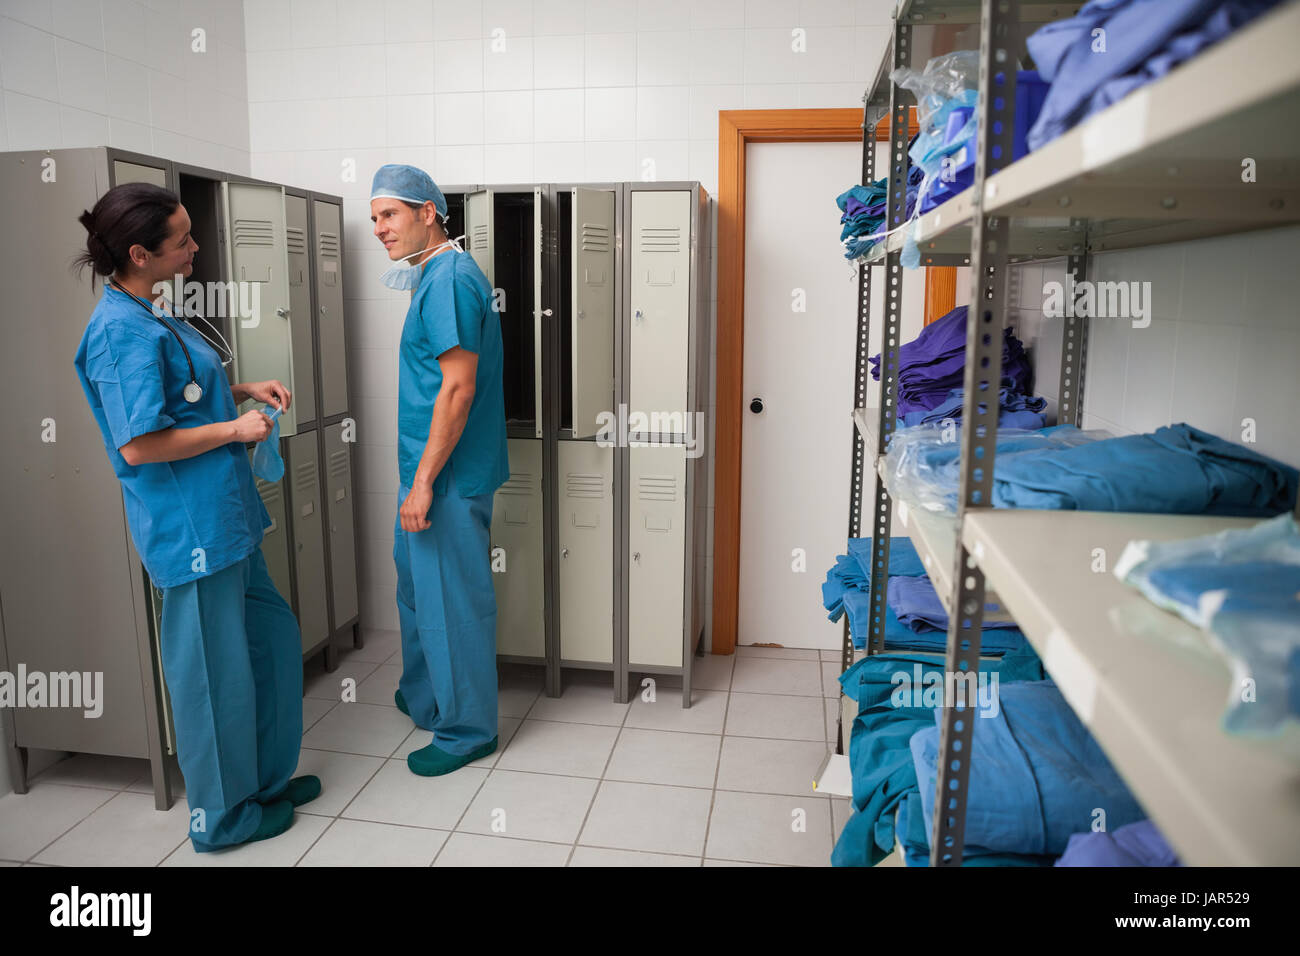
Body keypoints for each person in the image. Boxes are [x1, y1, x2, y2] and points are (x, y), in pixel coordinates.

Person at [72, 182, 319, 851]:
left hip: (230, 522)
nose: (194, 245)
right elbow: (139, 442)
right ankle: (221, 818)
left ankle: (263, 782)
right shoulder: (117, 333)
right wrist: (236, 431)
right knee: (212, 678)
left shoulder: (152, 310)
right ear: (140, 253)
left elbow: (183, 395)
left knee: (268, 645)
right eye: (181, 238)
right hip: (193, 533)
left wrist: (239, 391)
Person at [370, 163, 510, 776]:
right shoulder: (431, 274)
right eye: (374, 218)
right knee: (414, 589)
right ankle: (428, 695)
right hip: (425, 470)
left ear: (429, 212)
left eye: (390, 214)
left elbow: (456, 388)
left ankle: (466, 729)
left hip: (446, 477)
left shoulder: (449, 278)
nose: (379, 228)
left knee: (452, 602)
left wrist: (424, 482)